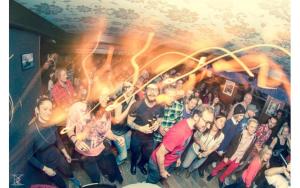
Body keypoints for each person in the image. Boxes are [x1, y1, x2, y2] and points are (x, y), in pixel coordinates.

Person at [146, 107, 214, 184]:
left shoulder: (190, 127)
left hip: (169, 162)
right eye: (207, 122)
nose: (208, 126)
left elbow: (180, 145)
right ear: (196, 117)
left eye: (210, 124)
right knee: (150, 183)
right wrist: (162, 171)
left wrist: (178, 158)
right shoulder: (180, 132)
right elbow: (159, 154)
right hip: (158, 165)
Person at [28, 96, 81, 188]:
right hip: (45, 163)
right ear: (37, 110)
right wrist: (45, 169)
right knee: (59, 182)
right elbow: (28, 156)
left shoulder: (51, 123)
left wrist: (65, 154)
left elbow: (58, 139)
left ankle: (73, 179)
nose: (48, 112)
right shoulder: (31, 130)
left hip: (57, 155)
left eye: (50, 109)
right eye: (45, 109)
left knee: (68, 171)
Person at [67, 99, 124, 184]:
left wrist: (116, 137)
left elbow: (107, 131)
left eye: (108, 94)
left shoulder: (106, 109)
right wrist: (76, 142)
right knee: (95, 177)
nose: (107, 97)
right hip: (86, 154)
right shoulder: (78, 108)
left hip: (100, 148)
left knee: (109, 167)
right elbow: (69, 129)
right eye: (103, 94)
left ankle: (111, 177)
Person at [207, 118, 258, 188]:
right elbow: (231, 144)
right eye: (252, 126)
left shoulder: (254, 138)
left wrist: (243, 160)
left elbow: (249, 150)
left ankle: (221, 178)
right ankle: (213, 173)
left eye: (255, 127)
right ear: (247, 126)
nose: (253, 129)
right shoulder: (240, 133)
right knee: (221, 165)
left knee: (229, 171)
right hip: (231, 155)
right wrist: (226, 156)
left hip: (239, 158)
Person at [197, 104, 246, 176]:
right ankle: (201, 167)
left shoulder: (237, 125)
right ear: (236, 114)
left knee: (213, 159)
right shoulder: (228, 123)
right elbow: (222, 137)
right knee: (210, 157)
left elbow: (233, 139)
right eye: (241, 115)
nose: (242, 118)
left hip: (224, 149)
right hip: (219, 147)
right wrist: (220, 149)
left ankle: (203, 165)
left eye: (243, 116)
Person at [127, 83, 164, 175]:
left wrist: (157, 123)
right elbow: (129, 122)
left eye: (155, 90)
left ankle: (141, 165)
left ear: (158, 93)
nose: (152, 92)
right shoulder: (136, 105)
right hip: (137, 137)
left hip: (150, 138)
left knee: (147, 156)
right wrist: (140, 128)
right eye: (150, 89)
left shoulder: (161, 106)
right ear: (145, 91)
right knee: (135, 153)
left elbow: (160, 118)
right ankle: (133, 165)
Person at [111, 82, 136, 165]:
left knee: (128, 147)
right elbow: (117, 120)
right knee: (124, 155)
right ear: (123, 88)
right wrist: (130, 106)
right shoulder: (120, 101)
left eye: (130, 86)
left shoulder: (134, 96)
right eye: (126, 87)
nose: (128, 89)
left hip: (127, 129)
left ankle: (117, 151)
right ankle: (115, 164)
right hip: (117, 132)